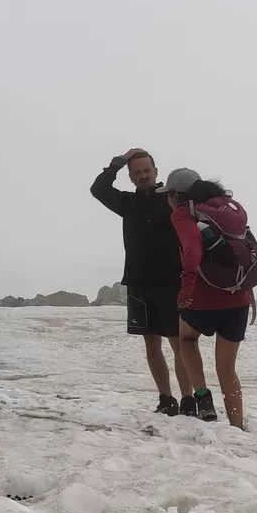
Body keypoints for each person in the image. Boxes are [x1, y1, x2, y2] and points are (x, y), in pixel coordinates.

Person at [90, 149, 194, 415]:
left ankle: (188, 400)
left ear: (156, 172)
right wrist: (119, 161)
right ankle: (166, 399)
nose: (143, 175)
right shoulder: (126, 202)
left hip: (172, 281)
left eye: (147, 170)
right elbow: (98, 189)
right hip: (139, 281)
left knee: (178, 342)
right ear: (131, 176)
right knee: (151, 342)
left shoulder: (172, 200)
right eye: (137, 172)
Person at [159, 168, 253, 428]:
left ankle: (202, 397)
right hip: (237, 297)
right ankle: (237, 425)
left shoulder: (183, 212)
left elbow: (192, 249)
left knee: (187, 340)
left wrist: (187, 286)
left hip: (202, 297)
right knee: (226, 368)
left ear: (176, 195)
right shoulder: (230, 209)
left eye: (168, 195)